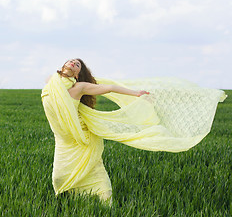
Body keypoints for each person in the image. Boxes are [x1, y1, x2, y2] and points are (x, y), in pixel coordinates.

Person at [41, 59, 226, 204]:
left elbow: (110, 88)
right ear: (64, 65)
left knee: (95, 171)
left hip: (82, 137)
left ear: (78, 73)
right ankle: (68, 201)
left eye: (78, 64)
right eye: (71, 61)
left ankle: (104, 202)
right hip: (64, 138)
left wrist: (136, 93)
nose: (74, 63)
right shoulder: (52, 82)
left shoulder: (79, 87)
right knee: (60, 174)